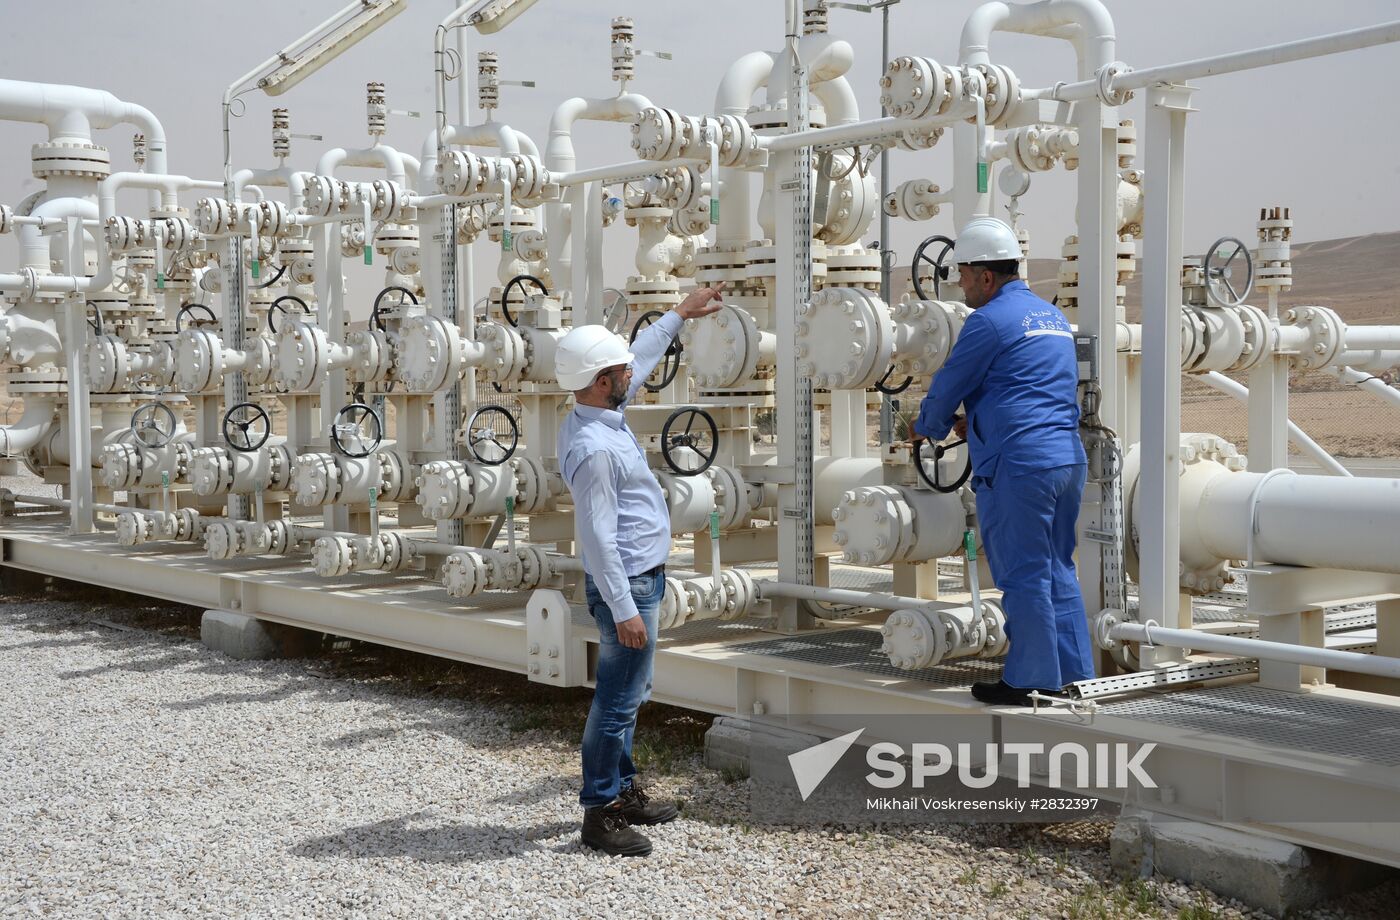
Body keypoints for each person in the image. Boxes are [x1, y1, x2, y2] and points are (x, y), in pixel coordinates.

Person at [554, 286, 724, 856]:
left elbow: (641, 357)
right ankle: (599, 815)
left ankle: (623, 793)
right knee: (616, 702)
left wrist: (679, 313)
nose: (634, 371)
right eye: (621, 370)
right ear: (602, 381)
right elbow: (596, 537)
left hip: (640, 577)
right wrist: (625, 609)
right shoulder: (596, 447)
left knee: (628, 692)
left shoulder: (600, 413)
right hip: (627, 584)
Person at [909, 217, 1096, 706]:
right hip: (1064, 459)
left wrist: (926, 425)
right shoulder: (1050, 318)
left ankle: (1032, 679)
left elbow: (950, 383)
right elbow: (1026, 386)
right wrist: (980, 420)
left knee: (1022, 572)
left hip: (1020, 467)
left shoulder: (987, 322)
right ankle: (1076, 676)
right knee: (1057, 567)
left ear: (985, 277)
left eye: (964, 275)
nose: (962, 285)